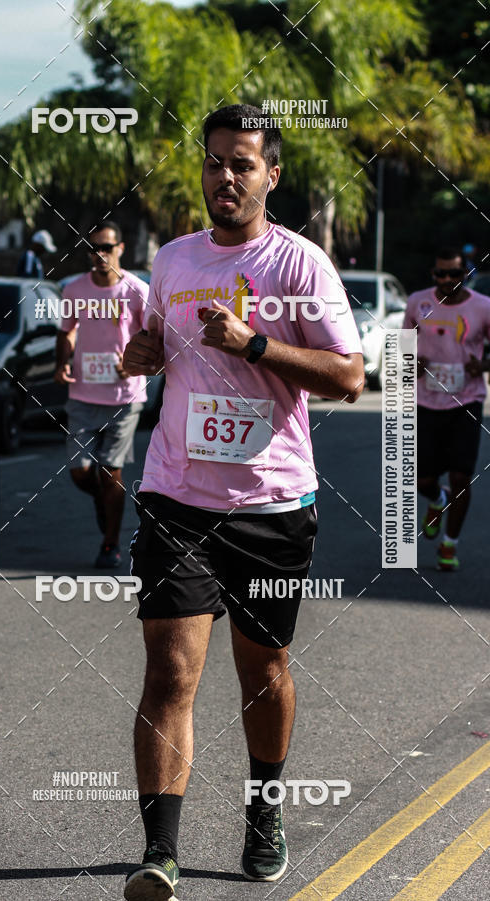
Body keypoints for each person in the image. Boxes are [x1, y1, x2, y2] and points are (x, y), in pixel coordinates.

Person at [121, 103, 364, 899]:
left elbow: (349, 375)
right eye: (214, 160)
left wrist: (255, 344)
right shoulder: (172, 260)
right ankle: (160, 851)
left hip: (270, 503)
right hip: (176, 495)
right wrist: (142, 353)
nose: (225, 176)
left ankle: (264, 807)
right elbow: (151, 346)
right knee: (170, 670)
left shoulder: (300, 265)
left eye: (242, 163)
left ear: (272, 174)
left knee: (263, 668)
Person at [55, 221, 148, 568]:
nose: (99, 254)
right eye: (93, 248)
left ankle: (110, 545)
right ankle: (106, 501)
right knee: (80, 472)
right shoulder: (74, 289)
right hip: (82, 393)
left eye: (106, 248)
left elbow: (153, 335)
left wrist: (134, 363)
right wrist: (61, 363)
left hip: (124, 397)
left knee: (111, 472)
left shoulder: (136, 290)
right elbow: (66, 331)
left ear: (120, 249)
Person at [403, 247, 490, 571]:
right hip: (426, 402)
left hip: (467, 402)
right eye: (441, 274)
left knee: (461, 477)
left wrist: (482, 365)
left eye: (454, 273)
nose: (447, 279)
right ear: (433, 274)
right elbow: (401, 346)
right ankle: (437, 500)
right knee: (422, 480)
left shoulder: (483, 307)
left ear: (465, 273)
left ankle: (449, 544)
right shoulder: (418, 302)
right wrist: (412, 362)